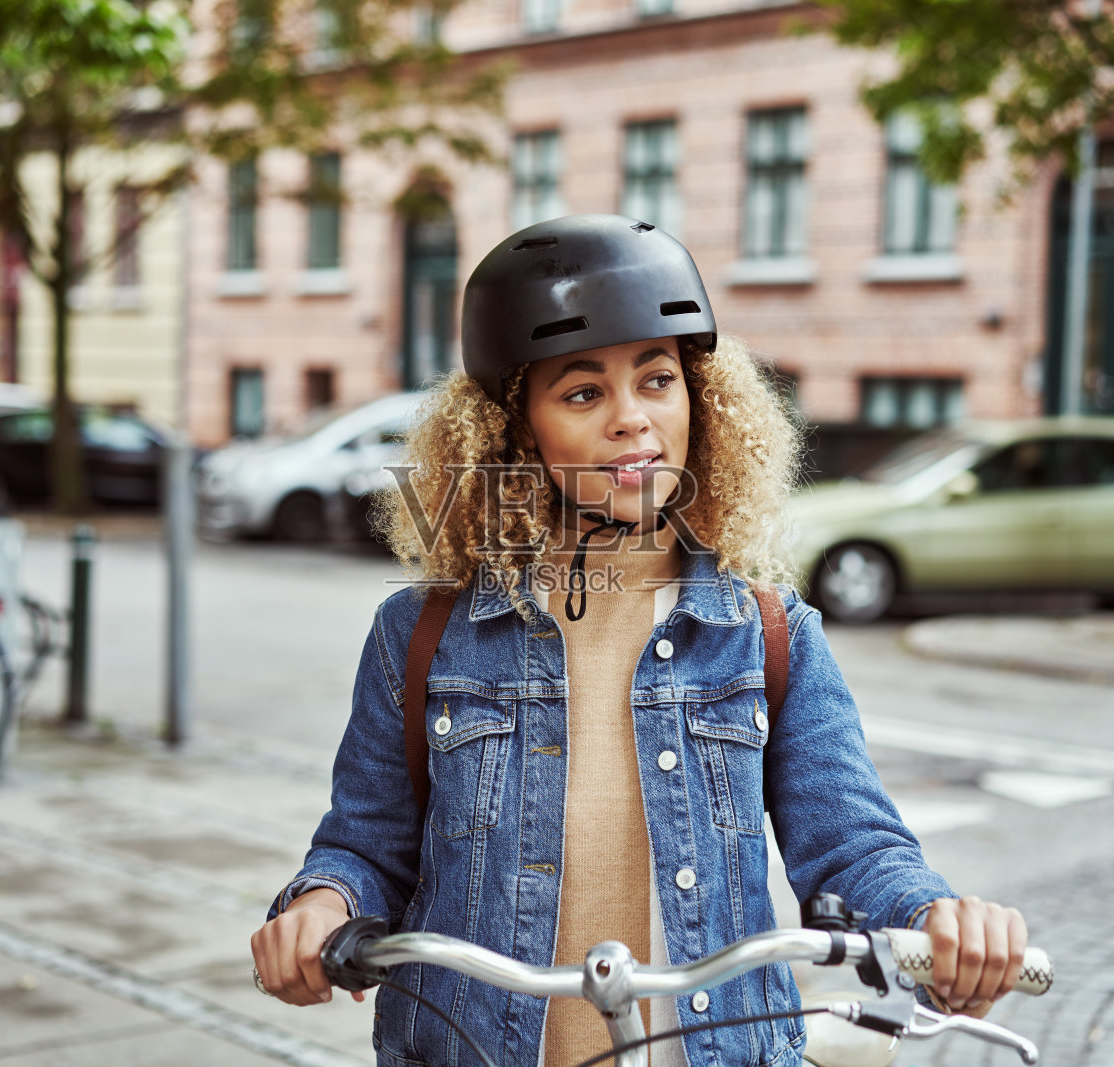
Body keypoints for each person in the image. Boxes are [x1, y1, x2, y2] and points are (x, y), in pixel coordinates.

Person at [250, 214, 1026, 1067]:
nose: (633, 419)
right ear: (515, 430)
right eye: (583, 393)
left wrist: (933, 918)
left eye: (657, 379)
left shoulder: (770, 635)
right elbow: (364, 844)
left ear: (701, 401)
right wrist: (322, 904)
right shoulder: (421, 634)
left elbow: (852, 843)